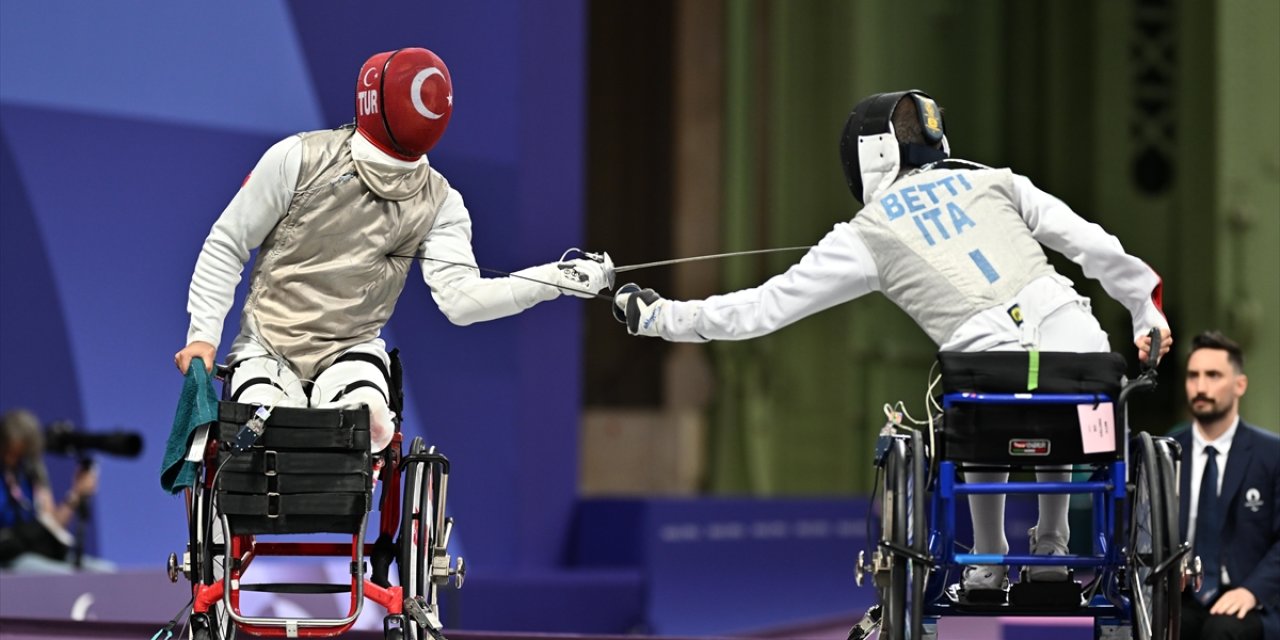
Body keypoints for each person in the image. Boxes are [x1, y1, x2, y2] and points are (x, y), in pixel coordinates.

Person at [612, 90, 1172, 595]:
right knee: (1059, 395)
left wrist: (659, 316)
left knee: (979, 400)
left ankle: (989, 558)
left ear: (869, 156)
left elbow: (765, 308)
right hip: (1082, 357)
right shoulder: (997, 179)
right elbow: (1092, 244)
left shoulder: (866, 233)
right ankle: (1052, 550)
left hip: (985, 378)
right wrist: (1145, 310)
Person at [174, 48, 612, 452]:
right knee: (260, 433)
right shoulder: (299, 159)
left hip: (350, 351)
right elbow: (227, 242)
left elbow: (460, 301)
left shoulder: (439, 202)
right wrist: (202, 336)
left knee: (370, 426)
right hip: (268, 346)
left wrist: (557, 278)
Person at [1174, 331, 1278, 640]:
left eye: (1213, 375)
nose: (1201, 387)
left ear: (1239, 385)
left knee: (1223, 631)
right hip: (1182, 596)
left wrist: (1252, 591)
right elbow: (1138, 532)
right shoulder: (1166, 453)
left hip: (1250, 596)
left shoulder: (1271, 455)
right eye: (1193, 376)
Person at [0, 409, 111, 574]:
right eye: (9, 451)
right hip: (9, 556)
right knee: (64, 576)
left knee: (105, 572)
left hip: (40, 551)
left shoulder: (31, 473)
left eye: (19, 454)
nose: (13, 458)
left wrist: (76, 494)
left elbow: (53, 525)